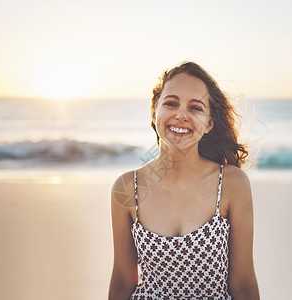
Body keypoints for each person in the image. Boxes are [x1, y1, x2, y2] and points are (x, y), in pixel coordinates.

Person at [109, 61, 259, 299]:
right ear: (154, 112)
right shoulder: (128, 188)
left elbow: (243, 284)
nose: (181, 115)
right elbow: (122, 280)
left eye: (195, 108)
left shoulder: (232, 184)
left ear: (209, 123)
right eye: (171, 103)